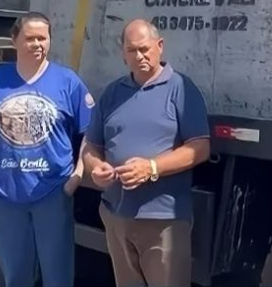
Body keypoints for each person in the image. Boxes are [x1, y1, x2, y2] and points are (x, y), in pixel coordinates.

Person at [0, 11, 93, 287]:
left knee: (57, 276)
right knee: (16, 276)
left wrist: (77, 176)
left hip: (53, 193)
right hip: (5, 195)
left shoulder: (68, 82)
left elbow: (89, 133)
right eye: (30, 38)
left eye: (43, 38)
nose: (37, 44)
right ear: (14, 41)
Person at [83, 19, 211, 287]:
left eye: (145, 48)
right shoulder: (112, 93)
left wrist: (151, 168)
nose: (139, 56)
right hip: (116, 216)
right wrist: (96, 167)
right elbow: (92, 146)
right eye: (132, 50)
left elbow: (200, 148)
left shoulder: (180, 89)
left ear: (160, 46)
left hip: (162, 222)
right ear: (123, 54)